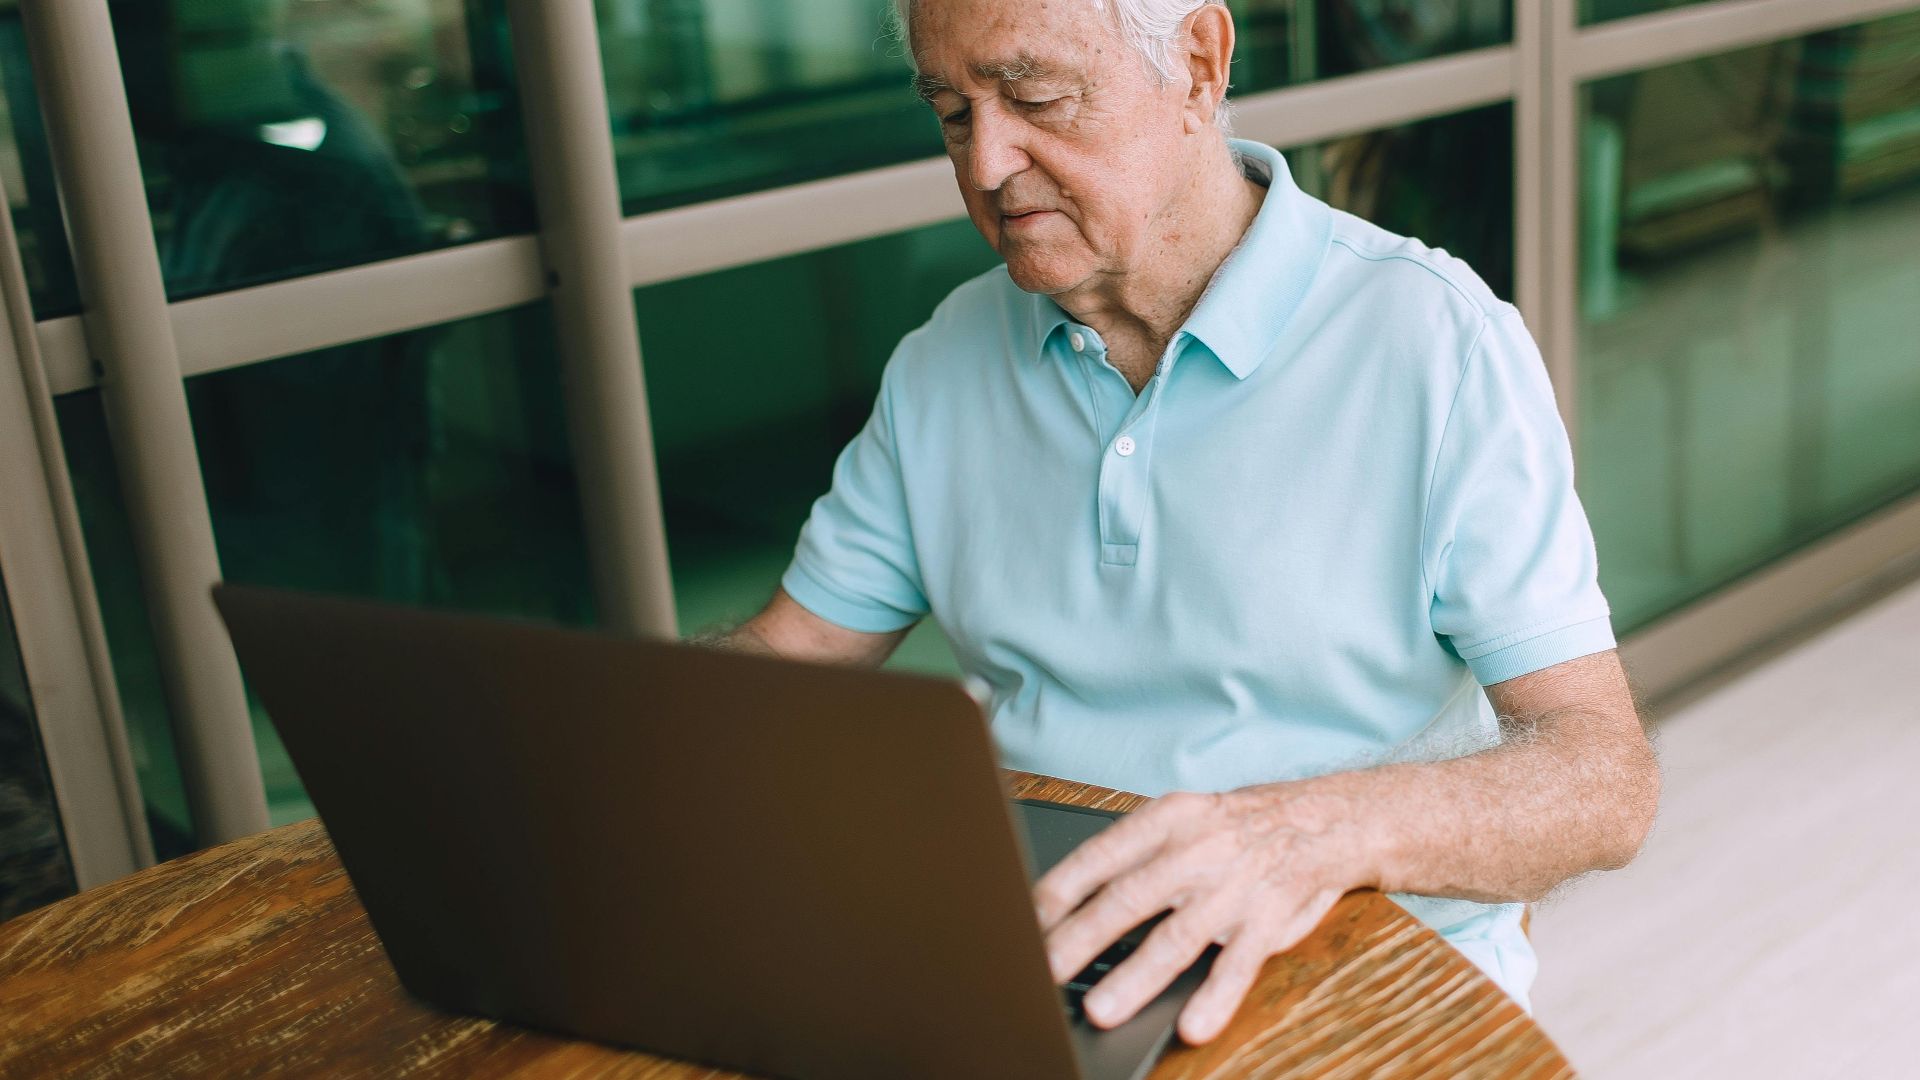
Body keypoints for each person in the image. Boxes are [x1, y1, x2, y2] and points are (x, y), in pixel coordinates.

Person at [706, 0, 1660, 1043]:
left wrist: (1304, 834)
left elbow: (1602, 780)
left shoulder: (1435, 342)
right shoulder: (944, 357)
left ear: (1199, 65)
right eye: (950, 113)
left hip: (1350, 958)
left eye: (1034, 97)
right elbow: (788, 654)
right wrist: (632, 743)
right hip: (1043, 944)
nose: (985, 163)